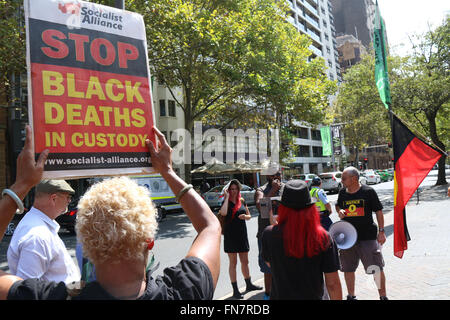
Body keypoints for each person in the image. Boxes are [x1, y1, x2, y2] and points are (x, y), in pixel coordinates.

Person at [0, 126, 221, 300]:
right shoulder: (186, 291)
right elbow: (210, 226)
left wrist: (21, 185)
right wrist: (168, 171)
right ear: (149, 240)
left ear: (86, 245)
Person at [261, 180, 342, 300]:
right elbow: (333, 284)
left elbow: (270, 263)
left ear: (283, 207)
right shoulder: (323, 237)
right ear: (311, 208)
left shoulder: (269, 234)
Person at [7, 179, 80, 284]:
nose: (69, 201)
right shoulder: (37, 236)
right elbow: (28, 290)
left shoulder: (38, 227)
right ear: (54, 199)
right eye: (68, 197)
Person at [335, 166, 388, 300]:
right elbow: (338, 205)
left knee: (376, 267)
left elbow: (379, 212)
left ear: (353, 179)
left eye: (344, 178)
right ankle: (351, 296)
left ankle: (383, 296)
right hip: (347, 238)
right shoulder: (342, 192)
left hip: (367, 237)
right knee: (347, 269)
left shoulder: (368, 191)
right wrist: (339, 211)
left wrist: (381, 231)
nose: (342, 181)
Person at [219, 179, 261, 299]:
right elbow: (223, 213)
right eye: (231, 189)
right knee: (233, 263)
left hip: (242, 235)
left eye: (235, 189)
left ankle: (249, 284)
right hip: (230, 236)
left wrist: (245, 217)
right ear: (228, 190)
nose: (233, 191)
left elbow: (249, 216)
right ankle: (235, 290)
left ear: (238, 189)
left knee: (245, 262)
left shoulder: (241, 201)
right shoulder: (225, 202)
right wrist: (226, 198)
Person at [254, 171, 283, 299]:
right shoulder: (260, 190)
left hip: (284, 232)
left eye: (278, 174)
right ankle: (268, 294)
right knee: (268, 266)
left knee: (285, 263)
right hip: (266, 234)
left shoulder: (286, 189)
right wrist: (273, 190)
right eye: (273, 175)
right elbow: (261, 207)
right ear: (267, 176)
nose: (276, 177)